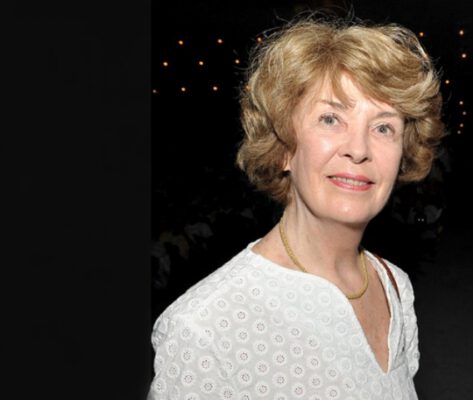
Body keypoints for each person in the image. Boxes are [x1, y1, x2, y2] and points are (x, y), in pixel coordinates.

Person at [148, 15, 444, 400]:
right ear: (285, 147)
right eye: (330, 119)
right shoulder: (204, 330)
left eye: (383, 127)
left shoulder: (394, 287)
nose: (359, 149)